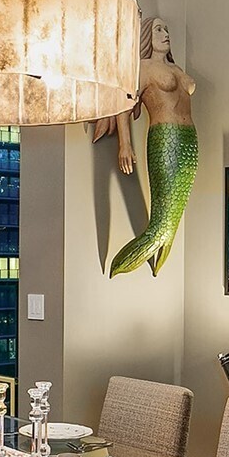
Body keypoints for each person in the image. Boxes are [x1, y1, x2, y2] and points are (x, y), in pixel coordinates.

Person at [90, 17, 198, 276]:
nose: (165, 33)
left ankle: (158, 259)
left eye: (167, 29)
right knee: (162, 223)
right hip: (165, 138)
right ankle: (125, 262)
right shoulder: (143, 68)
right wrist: (125, 144)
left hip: (189, 141)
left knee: (174, 216)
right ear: (147, 36)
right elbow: (124, 104)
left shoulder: (176, 69)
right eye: (158, 29)